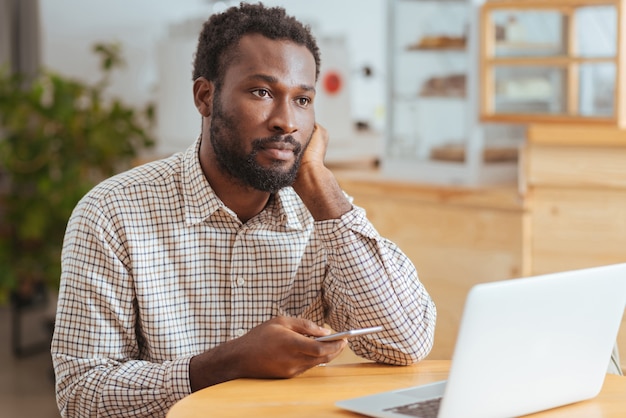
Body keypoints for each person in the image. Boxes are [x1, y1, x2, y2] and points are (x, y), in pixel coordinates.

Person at [51, 3, 436, 417]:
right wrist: (228, 362)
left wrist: (325, 191)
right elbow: (81, 394)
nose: (286, 121)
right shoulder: (111, 213)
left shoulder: (321, 218)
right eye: (262, 92)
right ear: (205, 97)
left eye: (302, 99)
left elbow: (406, 343)